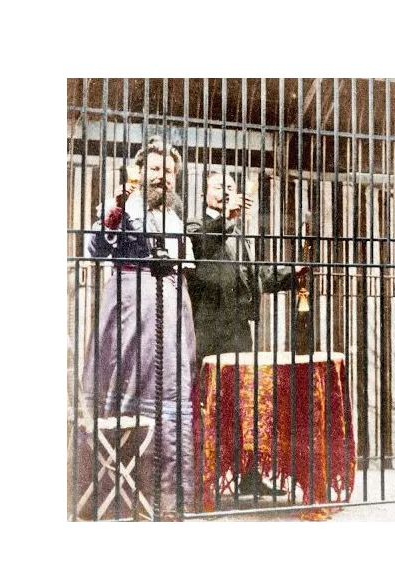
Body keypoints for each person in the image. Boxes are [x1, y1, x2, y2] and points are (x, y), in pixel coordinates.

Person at [81, 136, 197, 521]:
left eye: (169, 172)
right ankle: (116, 497)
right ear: (140, 170)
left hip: (173, 312)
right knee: (125, 386)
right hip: (130, 310)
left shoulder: (176, 218)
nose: (162, 177)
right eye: (156, 169)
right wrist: (116, 206)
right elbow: (96, 247)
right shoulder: (121, 208)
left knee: (170, 392)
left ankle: (165, 500)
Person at [186, 169, 306, 496]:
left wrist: (290, 274)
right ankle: (201, 479)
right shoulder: (194, 226)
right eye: (217, 187)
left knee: (247, 403)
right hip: (207, 329)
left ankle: (250, 475)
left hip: (238, 330)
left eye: (229, 186)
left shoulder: (238, 233)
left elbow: (251, 278)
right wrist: (228, 217)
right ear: (205, 193)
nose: (224, 191)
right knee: (207, 402)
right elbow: (206, 249)